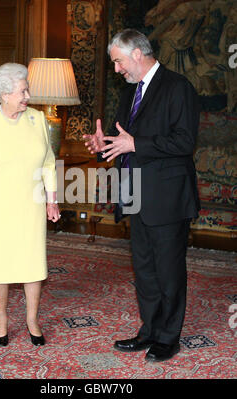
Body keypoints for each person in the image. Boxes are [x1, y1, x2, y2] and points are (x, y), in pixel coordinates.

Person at [84, 29, 200, 362]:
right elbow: (123, 137)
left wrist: (136, 144)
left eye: (118, 61)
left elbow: (184, 142)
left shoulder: (178, 87)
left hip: (167, 196)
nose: (117, 69)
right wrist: (102, 143)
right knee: (145, 270)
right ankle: (149, 330)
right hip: (135, 192)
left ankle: (168, 337)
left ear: (137, 54)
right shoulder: (132, 92)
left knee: (168, 270)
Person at [0, 63, 60, 347]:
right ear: (5, 93)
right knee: (0, 264)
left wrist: (52, 199)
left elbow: (47, 162)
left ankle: (32, 319)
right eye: (22, 91)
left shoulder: (37, 120)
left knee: (33, 263)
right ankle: (1, 318)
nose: (28, 96)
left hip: (32, 204)